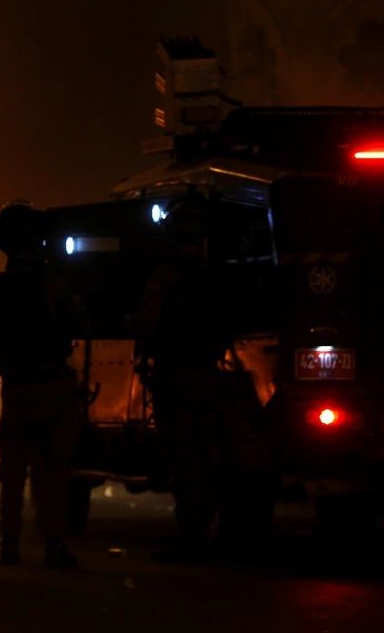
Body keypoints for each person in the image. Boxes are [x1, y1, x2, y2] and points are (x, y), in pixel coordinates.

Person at [0, 202, 86, 568]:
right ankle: (53, 545)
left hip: (16, 388)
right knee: (53, 472)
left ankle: (8, 546)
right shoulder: (53, 283)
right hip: (54, 386)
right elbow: (81, 324)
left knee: (12, 473)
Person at [136, 197, 232, 564]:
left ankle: (192, 539)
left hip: (174, 376)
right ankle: (208, 532)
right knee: (204, 456)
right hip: (207, 375)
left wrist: (144, 350)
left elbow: (148, 324)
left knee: (184, 458)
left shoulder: (165, 277)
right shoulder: (216, 277)